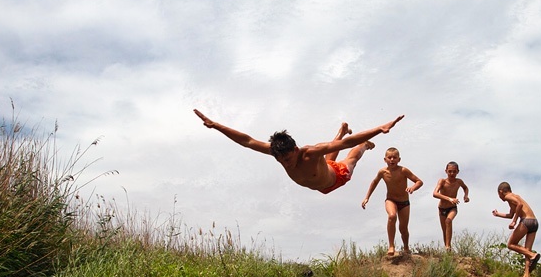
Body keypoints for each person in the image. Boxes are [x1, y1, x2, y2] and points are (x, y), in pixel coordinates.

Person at [193, 109, 404, 194]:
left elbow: (348, 144)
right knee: (326, 161)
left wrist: (378, 129)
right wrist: (216, 125)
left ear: (295, 149)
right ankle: (340, 130)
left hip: (336, 177)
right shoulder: (276, 151)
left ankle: (365, 145)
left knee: (350, 159)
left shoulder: (310, 152)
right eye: (281, 161)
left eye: (287, 159)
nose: (286, 163)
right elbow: (247, 141)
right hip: (323, 176)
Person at [361, 147, 423, 256]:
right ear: (385, 159)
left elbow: (419, 181)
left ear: (399, 159)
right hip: (391, 200)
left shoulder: (403, 170)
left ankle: (406, 247)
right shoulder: (382, 172)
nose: (392, 160)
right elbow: (374, 182)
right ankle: (391, 246)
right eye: (389, 157)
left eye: (395, 157)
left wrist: (412, 188)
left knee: (403, 228)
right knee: (392, 216)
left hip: (404, 203)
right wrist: (367, 197)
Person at [492, 181, 541, 277]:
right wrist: (498, 214)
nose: (499, 197)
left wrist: (514, 221)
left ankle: (533, 255)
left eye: (498, 194)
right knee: (527, 251)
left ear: (501, 192)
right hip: (534, 222)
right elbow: (510, 214)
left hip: (526, 221)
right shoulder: (515, 197)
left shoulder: (508, 196)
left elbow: (520, 205)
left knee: (511, 244)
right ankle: (526, 276)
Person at [432, 161, 470, 250]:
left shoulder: (459, 182)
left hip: (452, 208)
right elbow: (435, 193)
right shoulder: (442, 181)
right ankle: (448, 251)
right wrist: (449, 198)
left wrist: (466, 196)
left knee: (448, 221)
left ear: (457, 172)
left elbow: (465, 188)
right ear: (446, 171)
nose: (452, 173)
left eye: (454, 171)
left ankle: (448, 247)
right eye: (450, 171)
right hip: (442, 209)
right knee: (445, 231)